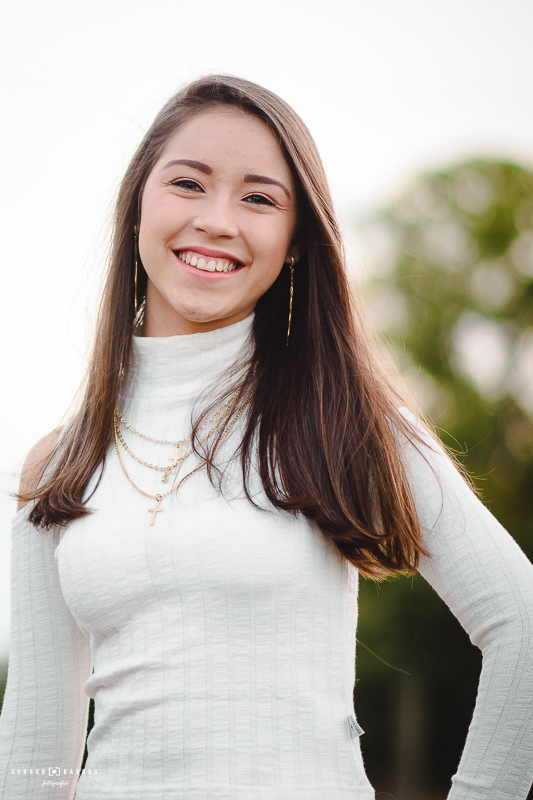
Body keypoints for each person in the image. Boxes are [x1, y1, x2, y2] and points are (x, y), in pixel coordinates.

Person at [0, 75, 532, 800]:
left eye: (258, 199)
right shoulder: (60, 465)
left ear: (295, 242)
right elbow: (35, 749)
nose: (218, 220)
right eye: (188, 184)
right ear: (137, 206)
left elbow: (520, 624)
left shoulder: (349, 420)